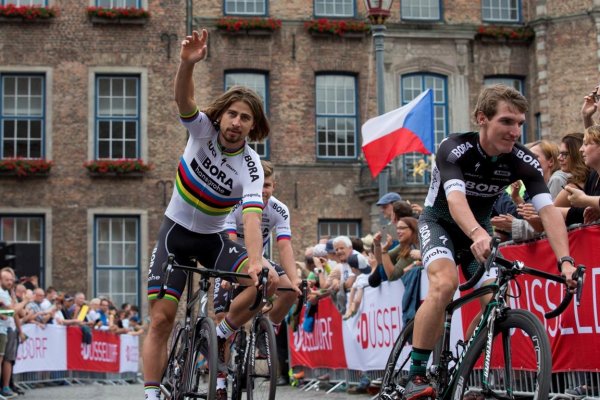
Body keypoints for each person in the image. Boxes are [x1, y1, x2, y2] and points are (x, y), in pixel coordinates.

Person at [403, 84, 577, 399]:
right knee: (445, 284)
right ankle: (415, 374)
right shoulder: (455, 148)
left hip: (478, 229)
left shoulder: (522, 160)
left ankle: (461, 366)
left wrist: (565, 260)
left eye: (520, 123)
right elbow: (455, 201)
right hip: (441, 223)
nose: (515, 131)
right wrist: (477, 233)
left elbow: (549, 213)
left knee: (495, 305)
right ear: (482, 118)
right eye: (507, 122)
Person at [142, 28, 278, 400]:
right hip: (176, 232)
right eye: (232, 114)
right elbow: (184, 100)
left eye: (245, 118)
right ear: (221, 116)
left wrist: (255, 261)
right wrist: (187, 63)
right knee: (161, 319)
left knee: (267, 280)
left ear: (254, 126)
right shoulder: (201, 130)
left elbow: (251, 216)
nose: (236, 123)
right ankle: (153, 392)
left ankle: (220, 334)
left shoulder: (251, 167)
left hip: (214, 238)